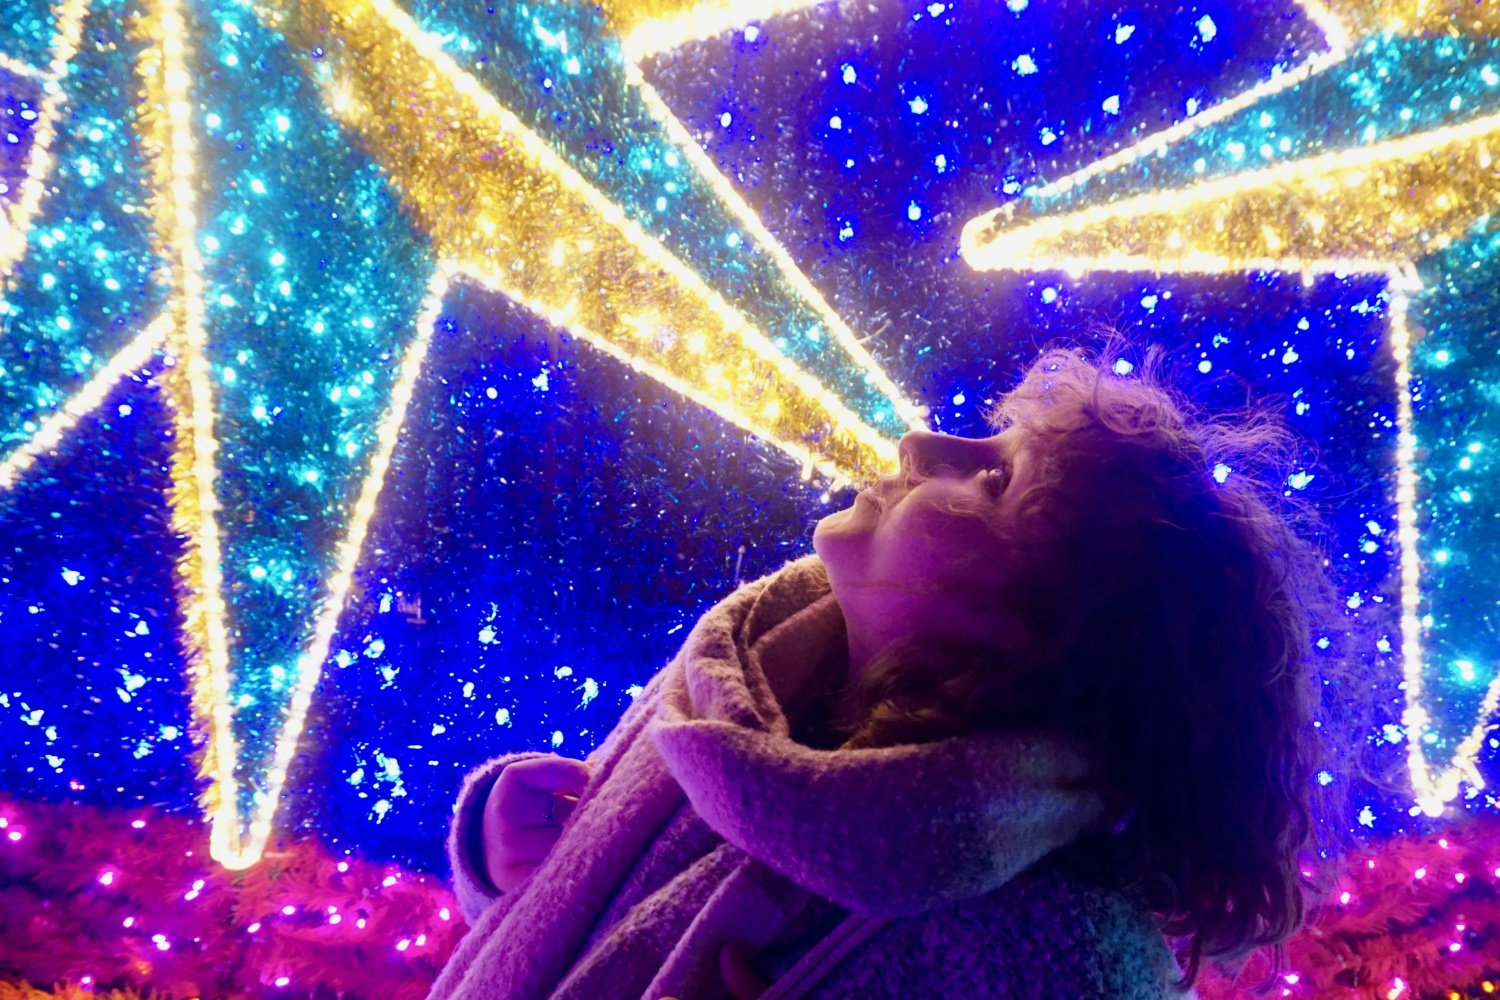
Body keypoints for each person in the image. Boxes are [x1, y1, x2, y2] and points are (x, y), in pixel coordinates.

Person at [425, 347, 1339, 1000]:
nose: (921, 444)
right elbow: (567, 920)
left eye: (995, 481)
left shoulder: (1054, 951)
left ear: (1045, 640)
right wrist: (499, 844)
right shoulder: (744, 677)